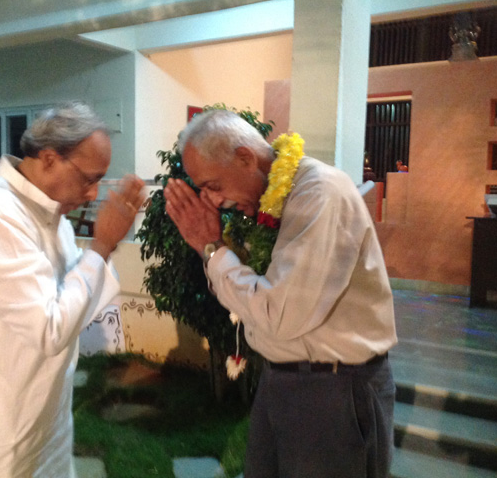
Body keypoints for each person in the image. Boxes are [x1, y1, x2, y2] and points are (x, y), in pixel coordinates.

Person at [164, 109, 397, 478]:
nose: (211, 200)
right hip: (283, 380)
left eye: (213, 185)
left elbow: (279, 313)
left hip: (332, 390)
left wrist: (211, 247)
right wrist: (217, 248)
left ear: (245, 157)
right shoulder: (273, 203)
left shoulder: (318, 192)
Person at [0, 102, 145, 478]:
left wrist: (105, 248)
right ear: (49, 159)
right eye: (88, 178)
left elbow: (76, 305)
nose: (92, 193)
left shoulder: (51, 215)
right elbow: (50, 329)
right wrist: (100, 246)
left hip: (47, 416)